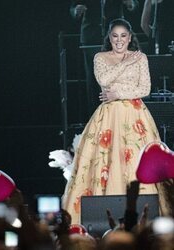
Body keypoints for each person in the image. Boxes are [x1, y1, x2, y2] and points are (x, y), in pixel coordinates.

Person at [62, 18, 160, 224]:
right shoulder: (100, 57)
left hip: (136, 117)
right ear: (109, 37)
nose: (119, 40)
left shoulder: (140, 58)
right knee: (106, 161)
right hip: (108, 117)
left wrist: (118, 93)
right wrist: (126, 61)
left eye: (123, 36)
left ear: (130, 37)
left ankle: (144, 216)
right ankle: (102, 217)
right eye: (115, 36)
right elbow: (104, 81)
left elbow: (145, 89)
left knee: (136, 161)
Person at [70, 0, 139, 114]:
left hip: (115, 39)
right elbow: (73, 7)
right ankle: (96, 121)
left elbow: (134, 4)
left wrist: (130, 4)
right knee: (93, 82)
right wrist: (76, 11)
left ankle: (116, 119)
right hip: (91, 38)